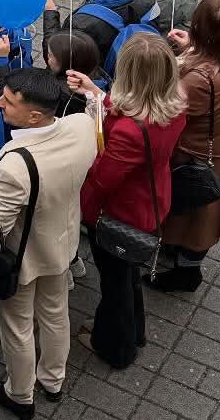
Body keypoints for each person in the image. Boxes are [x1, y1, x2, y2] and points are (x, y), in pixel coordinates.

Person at [0, 66, 99, 418]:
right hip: (62, 244)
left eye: (8, 101)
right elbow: (99, 111)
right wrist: (92, 91)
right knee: (55, 313)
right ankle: (53, 381)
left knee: (17, 327)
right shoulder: (81, 128)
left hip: (23, 258)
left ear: (33, 116)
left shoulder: (15, 163)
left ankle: (19, 394)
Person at [80, 33, 186, 369]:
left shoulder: (128, 131)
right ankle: (135, 331)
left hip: (119, 213)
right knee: (127, 274)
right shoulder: (174, 106)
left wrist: (89, 135)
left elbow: (102, 178)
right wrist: (98, 96)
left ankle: (116, 347)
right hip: (150, 201)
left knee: (115, 284)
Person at [156, 0, 220, 290]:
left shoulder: (199, 80)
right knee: (207, 215)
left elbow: (166, 111)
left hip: (195, 157)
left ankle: (186, 273)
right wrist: (192, 49)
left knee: (194, 219)